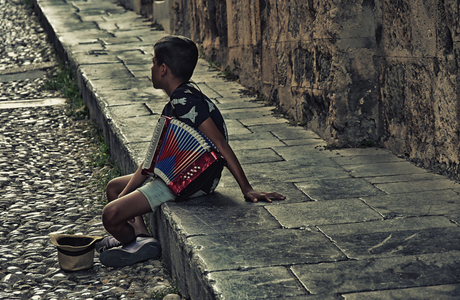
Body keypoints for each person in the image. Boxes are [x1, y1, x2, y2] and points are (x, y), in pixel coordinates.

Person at [96, 36, 285, 267]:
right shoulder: (180, 99)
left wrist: (247, 188)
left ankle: (135, 244)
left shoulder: (185, 101)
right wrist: (125, 193)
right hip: (177, 174)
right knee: (114, 188)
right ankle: (141, 237)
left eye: (154, 62)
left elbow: (219, 144)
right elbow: (150, 162)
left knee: (110, 215)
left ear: (163, 69)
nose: (151, 67)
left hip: (189, 181)